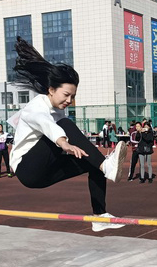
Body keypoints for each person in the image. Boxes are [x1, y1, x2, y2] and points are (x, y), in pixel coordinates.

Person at [9, 37, 127, 232]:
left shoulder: (58, 110)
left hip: (45, 173)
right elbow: (46, 124)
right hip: (26, 169)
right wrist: (63, 143)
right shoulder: (35, 107)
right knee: (64, 124)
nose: (69, 100)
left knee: (93, 162)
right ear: (51, 90)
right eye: (66, 95)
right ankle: (107, 166)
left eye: (73, 96)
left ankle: (99, 216)